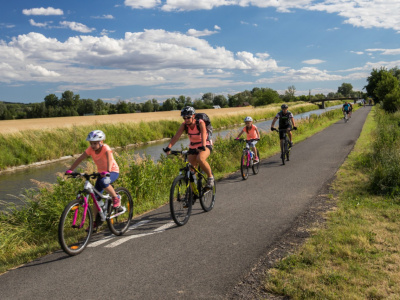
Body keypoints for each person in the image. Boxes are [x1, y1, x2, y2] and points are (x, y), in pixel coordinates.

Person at [65, 130, 121, 230]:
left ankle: (116, 197)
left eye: (95, 143)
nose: (93, 145)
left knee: (104, 182)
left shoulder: (105, 148)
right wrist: (71, 169)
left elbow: (110, 159)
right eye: (91, 143)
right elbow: (80, 158)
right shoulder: (90, 149)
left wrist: (108, 171)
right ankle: (96, 222)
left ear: (101, 142)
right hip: (101, 173)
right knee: (95, 199)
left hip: (112, 171)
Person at [163, 106, 214, 188]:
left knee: (200, 159)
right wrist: (169, 147)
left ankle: (210, 177)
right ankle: (192, 193)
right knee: (191, 170)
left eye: (188, 117)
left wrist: (203, 146)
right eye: (184, 118)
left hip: (205, 144)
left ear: (193, 116)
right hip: (193, 146)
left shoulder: (200, 123)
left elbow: (204, 135)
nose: (186, 120)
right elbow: (176, 136)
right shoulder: (184, 125)